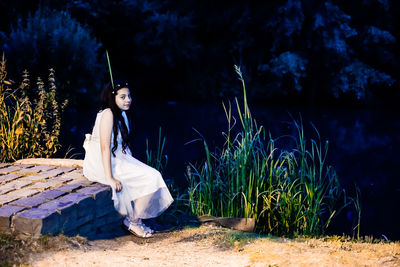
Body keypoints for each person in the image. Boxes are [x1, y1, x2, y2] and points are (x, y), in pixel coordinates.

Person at [82, 81, 174, 238]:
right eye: (123, 96)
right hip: (102, 162)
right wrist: (110, 177)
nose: (128, 100)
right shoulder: (108, 114)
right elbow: (104, 147)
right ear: (113, 98)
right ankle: (133, 221)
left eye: (129, 96)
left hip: (117, 157)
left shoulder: (122, 114)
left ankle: (134, 219)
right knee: (152, 176)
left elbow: (121, 146)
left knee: (152, 175)